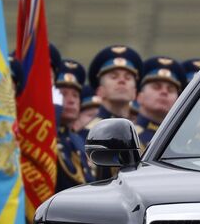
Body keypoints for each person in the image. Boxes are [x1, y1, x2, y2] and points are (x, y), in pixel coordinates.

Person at [83, 46, 142, 131]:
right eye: (114, 77)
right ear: (100, 91)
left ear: (134, 92)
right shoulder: (88, 134)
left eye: (128, 78)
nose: (122, 81)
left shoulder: (140, 136)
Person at [54, 61, 89, 193]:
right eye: (63, 94)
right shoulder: (46, 136)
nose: (71, 100)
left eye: (75, 95)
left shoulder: (78, 140)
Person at [133, 56, 184, 146]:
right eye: (156, 87)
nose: (164, 92)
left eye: (170, 89)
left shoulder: (182, 141)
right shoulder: (128, 136)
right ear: (140, 97)